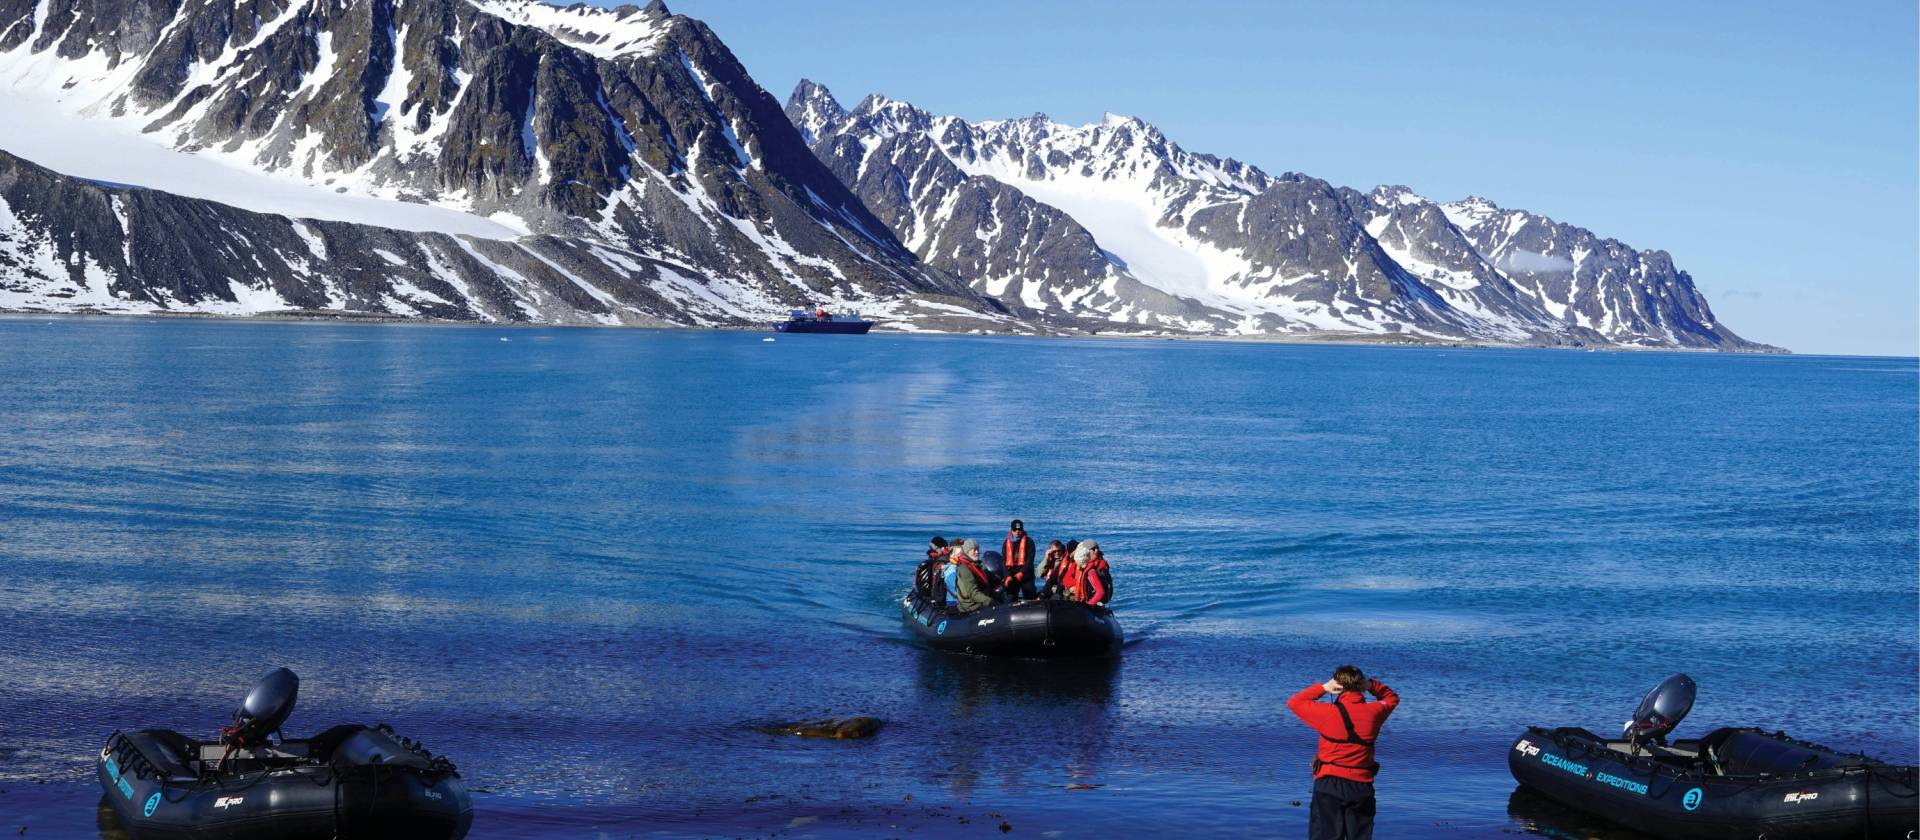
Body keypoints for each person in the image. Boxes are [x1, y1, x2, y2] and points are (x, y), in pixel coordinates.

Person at [1286, 666, 1399, 840]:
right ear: (1361, 685)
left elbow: (1294, 702)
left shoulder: (1327, 712)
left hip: (1328, 783)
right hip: (1361, 785)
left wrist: (1323, 688)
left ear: (1337, 686)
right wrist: (1371, 685)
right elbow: (1391, 698)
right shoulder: (1375, 711)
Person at [948, 539, 995, 614]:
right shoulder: (965, 568)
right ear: (967, 551)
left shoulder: (974, 565)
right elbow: (973, 593)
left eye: (978, 549)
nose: (977, 552)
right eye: (974, 550)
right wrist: (989, 601)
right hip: (971, 605)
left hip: (976, 600)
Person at [1001, 520, 1036, 602]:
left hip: (1026, 574)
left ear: (1022, 530)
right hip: (1012, 574)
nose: (1017, 532)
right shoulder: (1006, 543)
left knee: (1030, 596)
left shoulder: (1029, 542)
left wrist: (1021, 573)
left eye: (1019, 530)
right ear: (1011, 530)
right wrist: (1007, 576)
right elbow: (1004, 561)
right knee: (1010, 597)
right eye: (1015, 530)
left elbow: (1030, 561)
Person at [1079, 540, 1112, 606]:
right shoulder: (1086, 564)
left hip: (1093, 602)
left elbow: (1100, 592)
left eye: (1097, 548)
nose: (1096, 550)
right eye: (1093, 549)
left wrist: (1088, 605)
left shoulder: (1092, 570)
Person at [915, 536, 948, 601]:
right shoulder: (939, 563)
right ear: (940, 548)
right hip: (931, 595)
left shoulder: (928, 562)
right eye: (944, 548)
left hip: (922, 592)